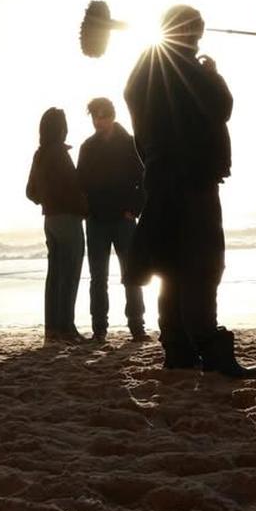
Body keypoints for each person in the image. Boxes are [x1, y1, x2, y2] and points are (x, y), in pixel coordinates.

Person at [122, 5, 250, 377]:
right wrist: (213, 73)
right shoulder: (188, 69)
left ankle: (177, 349)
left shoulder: (141, 73)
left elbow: (140, 125)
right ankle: (208, 346)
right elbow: (221, 106)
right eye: (198, 32)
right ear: (191, 32)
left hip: (160, 176)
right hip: (193, 178)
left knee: (171, 265)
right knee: (203, 264)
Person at [77, 97, 148, 342]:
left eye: (103, 116)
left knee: (131, 275)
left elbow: (144, 178)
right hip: (96, 220)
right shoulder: (87, 147)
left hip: (124, 219)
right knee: (98, 278)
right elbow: (80, 183)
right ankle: (99, 330)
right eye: (95, 117)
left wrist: (134, 209)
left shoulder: (130, 143)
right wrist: (87, 210)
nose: (99, 121)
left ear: (112, 116)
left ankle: (137, 326)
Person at [26, 107, 89, 344]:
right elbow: (73, 187)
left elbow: (30, 191)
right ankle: (66, 328)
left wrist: (46, 200)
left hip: (50, 219)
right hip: (68, 219)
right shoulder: (59, 155)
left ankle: (52, 328)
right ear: (61, 128)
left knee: (54, 275)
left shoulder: (40, 155)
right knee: (70, 274)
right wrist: (85, 208)